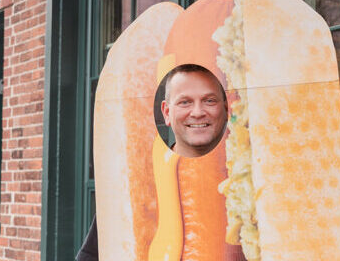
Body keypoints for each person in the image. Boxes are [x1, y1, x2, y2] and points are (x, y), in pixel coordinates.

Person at [76, 64, 228, 261]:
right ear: (166, 112)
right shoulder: (134, 182)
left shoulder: (248, 180)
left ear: (226, 108)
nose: (197, 112)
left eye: (209, 100)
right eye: (185, 102)